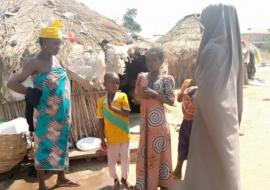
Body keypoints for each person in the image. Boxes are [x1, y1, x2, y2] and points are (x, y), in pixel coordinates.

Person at [7, 20, 80, 190]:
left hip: (62, 114)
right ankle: (42, 185)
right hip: (45, 116)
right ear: (45, 42)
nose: (59, 46)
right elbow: (12, 83)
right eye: (56, 43)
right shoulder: (34, 62)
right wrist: (29, 92)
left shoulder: (56, 58)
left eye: (60, 43)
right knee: (43, 148)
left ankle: (61, 178)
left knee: (62, 145)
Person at [182, 4, 243, 190]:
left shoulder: (212, 50)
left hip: (211, 117)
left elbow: (210, 94)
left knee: (209, 165)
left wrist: (193, 92)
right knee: (226, 161)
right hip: (228, 115)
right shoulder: (232, 50)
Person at [134, 47, 175, 190]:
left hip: (159, 127)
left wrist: (155, 94)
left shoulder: (166, 79)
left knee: (161, 155)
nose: (150, 63)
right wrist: (140, 97)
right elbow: (136, 97)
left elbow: (171, 101)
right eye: (148, 60)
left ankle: (162, 183)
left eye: (154, 60)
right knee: (145, 154)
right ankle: (147, 185)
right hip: (145, 125)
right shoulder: (141, 77)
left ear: (161, 61)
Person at [96, 72, 132, 190]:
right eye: (112, 82)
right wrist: (102, 139)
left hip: (124, 135)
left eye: (117, 82)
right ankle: (115, 179)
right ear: (105, 84)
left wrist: (113, 108)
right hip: (111, 138)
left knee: (125, 160)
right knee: (111, 162)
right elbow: (100, 121)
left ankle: (124, 179)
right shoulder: (101, 101)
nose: (116, 85)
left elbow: (126, 114)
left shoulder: (123, 96)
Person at [173, 78, 197, 179]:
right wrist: (182, 95)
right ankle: (178, 170)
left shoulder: (204, 83)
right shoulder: (187, 82)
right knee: (182, 144)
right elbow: (178, 99)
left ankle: (192, 174)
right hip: (186, 120)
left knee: (194, 148)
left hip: (197, 122)